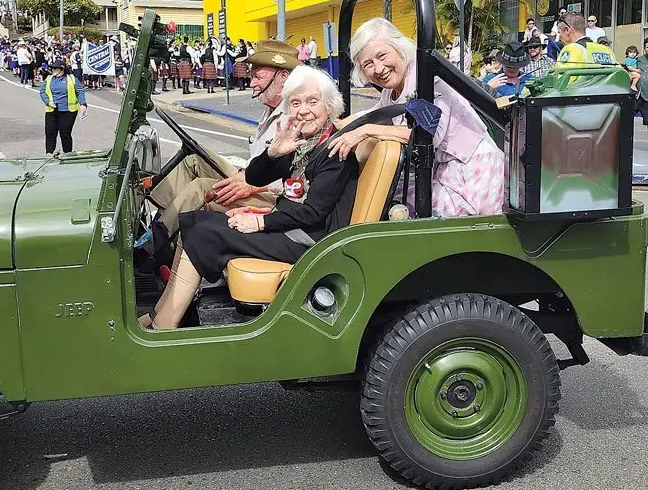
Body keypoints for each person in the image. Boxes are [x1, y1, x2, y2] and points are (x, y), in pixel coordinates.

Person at [139, 65, 358, 330]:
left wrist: (261, 223)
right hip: (291, 227)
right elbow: (255, 178)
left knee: (205, 233)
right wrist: (274, 152)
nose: (303, 110)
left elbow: (313, 212)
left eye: (313, 102)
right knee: (194, 222)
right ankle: (160, 314)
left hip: (310, 240)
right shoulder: (303, 143)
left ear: (329, 105)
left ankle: (163, 328)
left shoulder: (335, 150)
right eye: (296, 103)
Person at [328, 17, 505, 218]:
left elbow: (426, 135)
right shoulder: (392, 89)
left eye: (382, 55)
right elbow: (373, 115)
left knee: (390, 198)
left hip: (471, 171)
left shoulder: (425, 79)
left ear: (399, 48)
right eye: (368, 63)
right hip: (441, 170)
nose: (378, 68)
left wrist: (365, 131)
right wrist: (332, 126)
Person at [149, 40, 300, 235]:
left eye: (258, 77)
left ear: (283, 77)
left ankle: (154, 244)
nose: (252, 83)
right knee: (192, 160)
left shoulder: (295, 114)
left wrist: (253, 186)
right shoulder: (271, 109)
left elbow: (297, 177)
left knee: (200, 189)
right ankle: (162, 219)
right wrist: (247, 177)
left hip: (271, 196)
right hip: (251, 175)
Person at [38, 59, 88, 155]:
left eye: (55, 68)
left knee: (65, 134)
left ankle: (68, 154)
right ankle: (49, 154)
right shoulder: (49, 79)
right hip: (52, 110)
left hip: (68, 111)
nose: (52, 70)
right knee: (50, 133)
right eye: (52, 68)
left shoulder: (72, 79)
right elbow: (42, 92)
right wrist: (48, 102)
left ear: (62, 69)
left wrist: (83, 104)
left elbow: (80, 91)